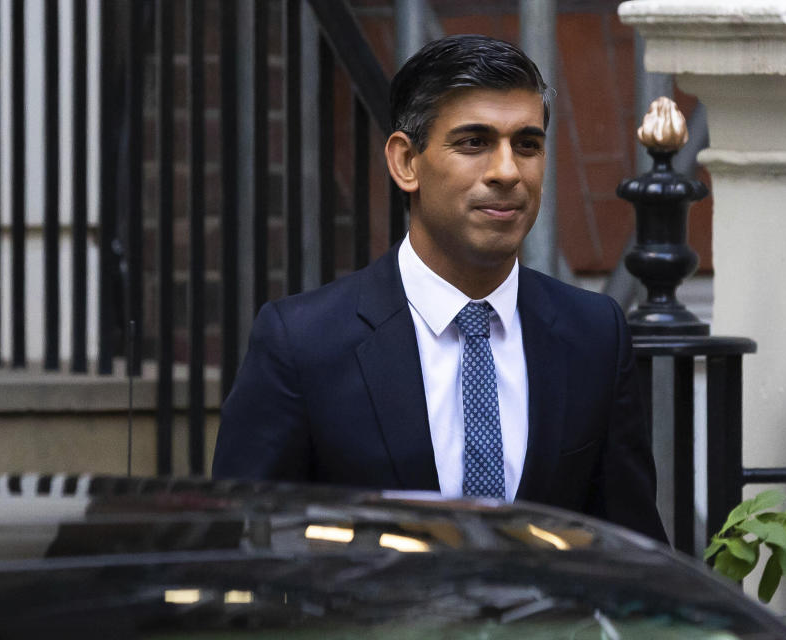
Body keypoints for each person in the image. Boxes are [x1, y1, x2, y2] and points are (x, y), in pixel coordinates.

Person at [212, 34, 666, 543]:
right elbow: (241, 546)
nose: (507, 171)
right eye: (473, 143)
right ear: (406, 162)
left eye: (527, 145)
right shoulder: (303, 342)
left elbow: (633, 556)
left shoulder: (594, 335)